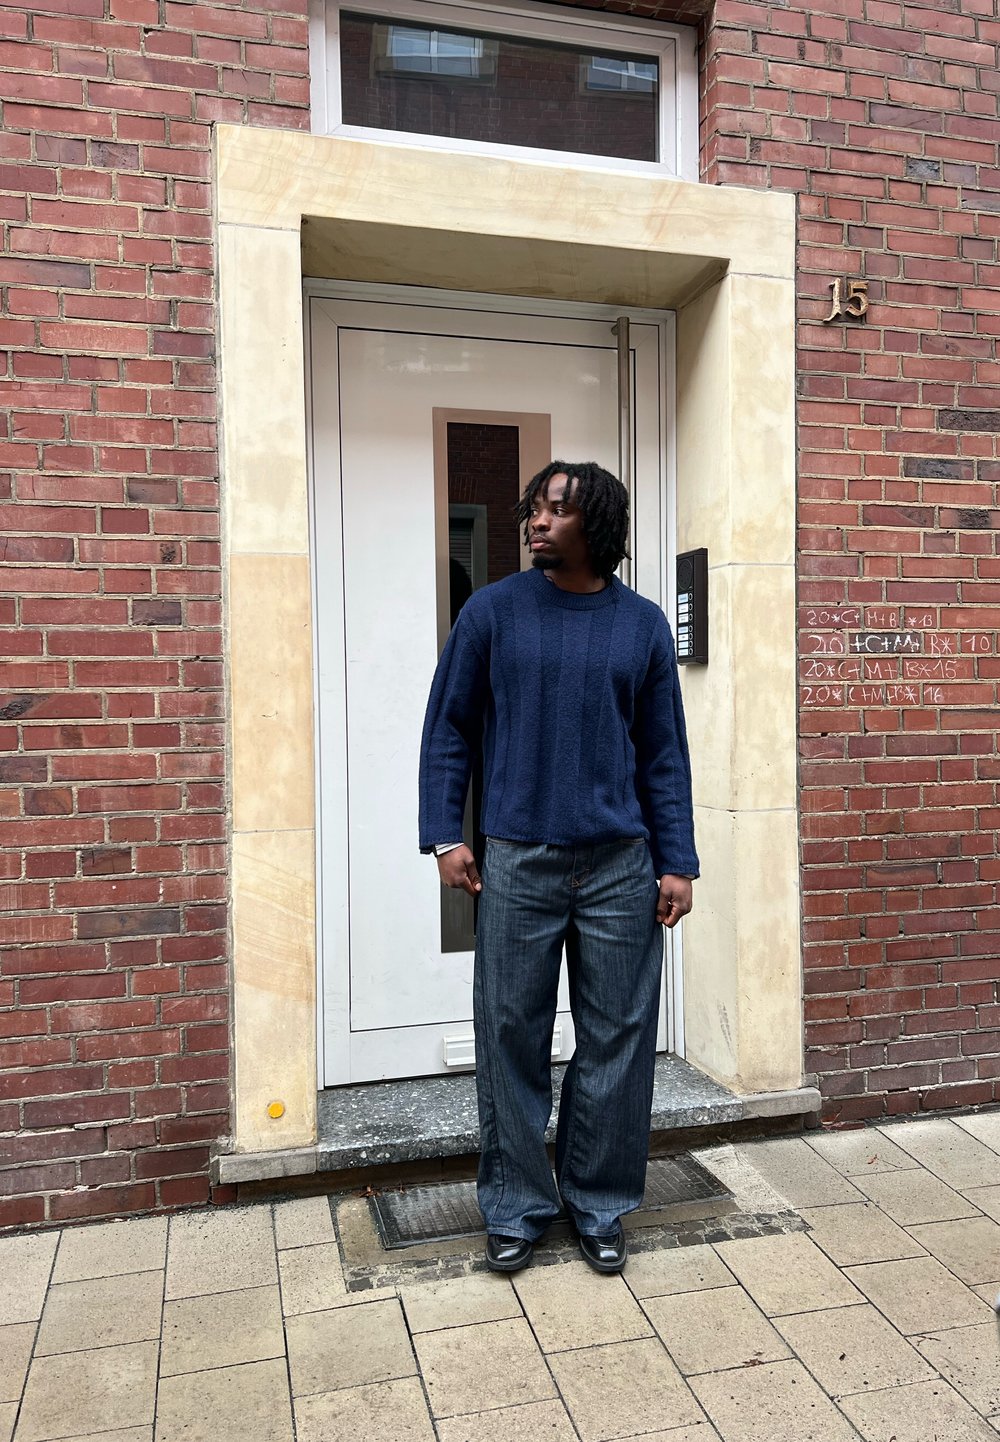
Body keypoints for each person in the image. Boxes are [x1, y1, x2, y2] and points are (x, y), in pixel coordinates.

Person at [418, 460, 698, 1274]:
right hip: (516, 861)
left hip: (621, 864)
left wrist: (676, 860)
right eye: (535, 508)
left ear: (597, 524)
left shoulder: (641, 625)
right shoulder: (492, 613)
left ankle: (601, 1206)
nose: (538, 523)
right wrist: (446, 834)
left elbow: (663, 757)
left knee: (619, 1040)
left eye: (558, 511)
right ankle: (516, 1206)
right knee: (510, 1036)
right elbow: (450, 731)